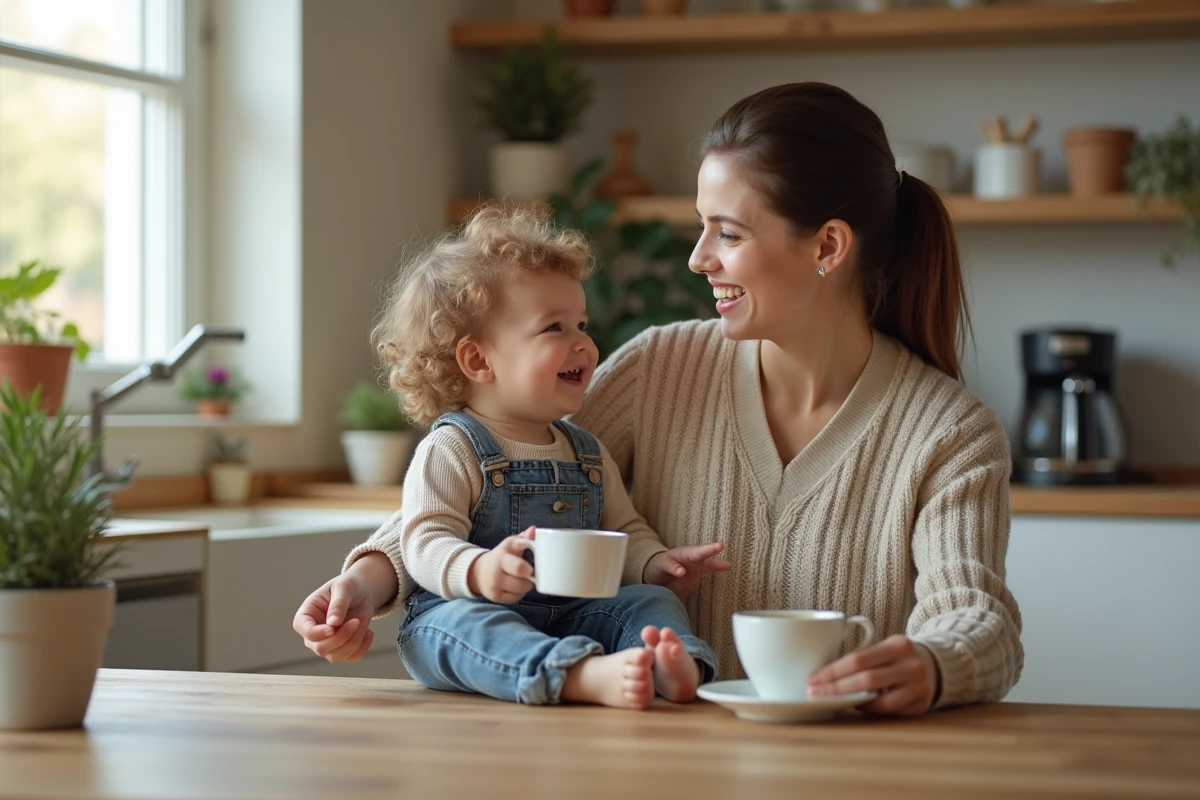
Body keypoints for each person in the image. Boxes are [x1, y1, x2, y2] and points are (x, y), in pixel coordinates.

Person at [571, 82, 1023, 716]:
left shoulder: (951, 433)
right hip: (652, 758)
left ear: (828, 246)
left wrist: (935, 662)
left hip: (841, 762)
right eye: (703, 228)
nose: (699, 259)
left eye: (728, 234)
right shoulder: (656, 370)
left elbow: (979, 619)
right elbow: (505, 484)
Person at [293, 206, 726, 709]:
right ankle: (576, 675)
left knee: (649, 601)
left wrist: (654, 564)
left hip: (572, 619)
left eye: (581, 324)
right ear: (478, 360)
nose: (584, 344)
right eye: (555, 328)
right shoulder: (451, 448)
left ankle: (671, 664)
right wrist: (478, 569)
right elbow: (424, 542)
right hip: (466, 615)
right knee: (461, 624)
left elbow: (623, 530)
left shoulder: (585, 450)